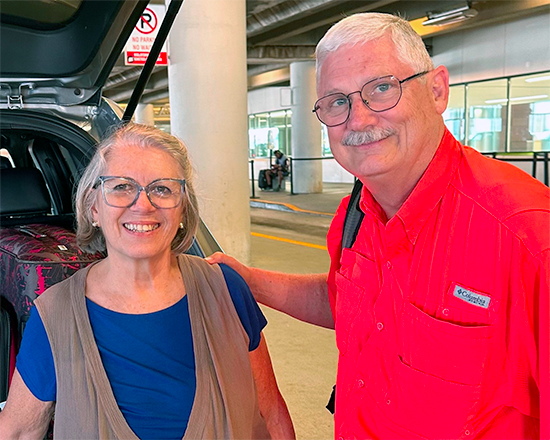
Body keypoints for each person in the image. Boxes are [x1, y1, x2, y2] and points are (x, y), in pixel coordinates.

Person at [207, 12, 550, 440]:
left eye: (382, 88)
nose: (359, 119)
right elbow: (347, 300)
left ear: (437, 90)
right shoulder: (356, 215)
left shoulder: (525, 237)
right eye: (337, 101)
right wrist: (249, 282)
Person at [0, 123, 295, 440]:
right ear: (93, 206)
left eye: (162, 189)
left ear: (183, 208)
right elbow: (17, 431)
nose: (143, 204)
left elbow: (270, 413)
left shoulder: (226, 289)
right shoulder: (55, 314)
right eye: (121, 186)